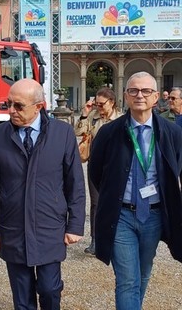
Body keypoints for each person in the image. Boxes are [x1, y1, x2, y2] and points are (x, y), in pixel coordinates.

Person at [0, 78, 86, 310]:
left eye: (18, 106)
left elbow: (75, 182)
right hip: (13, 228)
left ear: (39, 106)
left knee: (49, 289)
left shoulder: (63, 133)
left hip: (50, 226)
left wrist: (75, 224)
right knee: (22, 299)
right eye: (8, 104)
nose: (11, 111)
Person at [88, 71, 182, 310]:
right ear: (126, 96)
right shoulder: (109, 133)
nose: (139, 95)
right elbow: (96, 173)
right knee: (128, 281)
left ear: (156, 98)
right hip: (122, 216)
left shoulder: (173, 133)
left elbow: (177, 170)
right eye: (134, 90)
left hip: (154, 216)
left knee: (142, 275)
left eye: (146, 91)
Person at [74, 87, 122, 255]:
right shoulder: (93, 118)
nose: (98, 107)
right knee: (96, 203)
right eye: (96, 104)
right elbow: (78, 132)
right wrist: (85, 113)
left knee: (116, 201)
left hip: (115, 166)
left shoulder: (121, 119)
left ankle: (115, 238)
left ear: (112, 102)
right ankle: (95, 240)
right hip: (95, 164)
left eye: (101, 104)